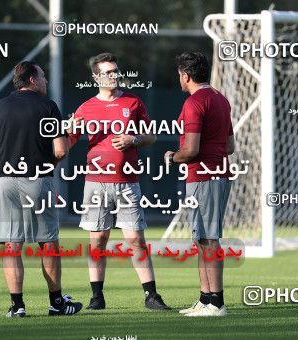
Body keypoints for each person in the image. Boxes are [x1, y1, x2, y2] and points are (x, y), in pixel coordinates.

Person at [68, 52, 170, 311]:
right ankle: (96, 297)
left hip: (127, 182)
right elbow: (67, 141)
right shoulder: (86, 107)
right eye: (107, 72)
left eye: (115, 71)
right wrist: (66, 129)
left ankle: (151, 296)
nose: (113, 76)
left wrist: (132, 139)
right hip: (96, 183)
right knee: (98, 239)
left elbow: (151, 136)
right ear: (95, 77)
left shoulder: (134, 102)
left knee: (135, 238)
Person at [0, 60, 82, 317]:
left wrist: (9, 156)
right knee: (48, 244)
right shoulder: (48, 106)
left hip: (5, 182)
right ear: (33, 80)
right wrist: (56, 152)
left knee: (12, 246)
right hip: (38, 181)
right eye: (44, 76)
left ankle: (17, 306)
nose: (46, 80)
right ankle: (57, 303)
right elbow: (60, 149)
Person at [164, 52, 234, 317]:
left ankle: (217, 302)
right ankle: (205, 300)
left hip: (204, 176)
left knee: (209, 239)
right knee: (203, 239)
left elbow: (190, 150)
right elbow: (230, 146)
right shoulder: (220, 99)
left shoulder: (194, 103)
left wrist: (172, 157)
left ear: (186, 75)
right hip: (214, 174)